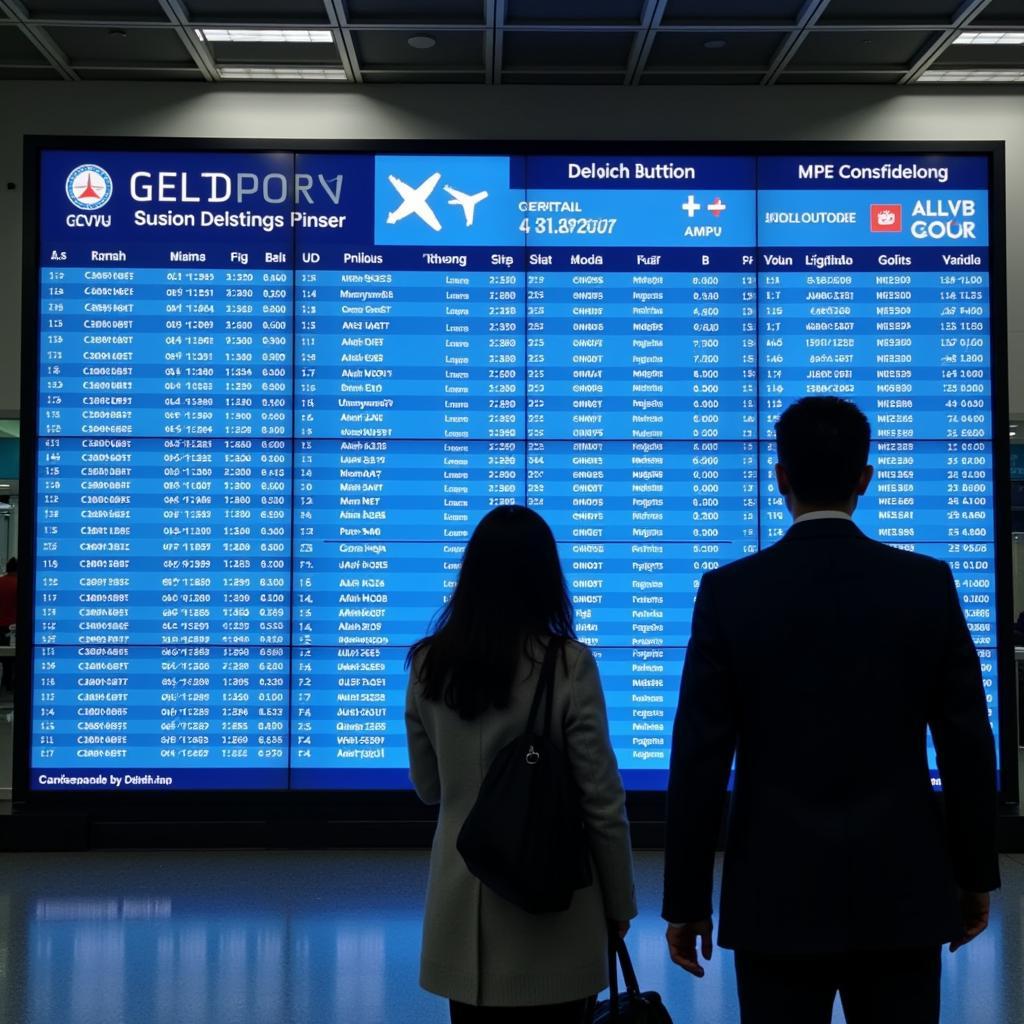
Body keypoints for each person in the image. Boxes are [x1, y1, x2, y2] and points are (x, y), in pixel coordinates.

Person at [662, 397, 1000, 1024]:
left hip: (774, 896)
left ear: (781, 476)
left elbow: (699, 758)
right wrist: (975, 872)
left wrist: (685, 899)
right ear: (865, 478)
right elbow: (967, 744)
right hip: (902, 888)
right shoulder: (926, 583)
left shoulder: (730, 592)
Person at [405, 504, 636, 1023]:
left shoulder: (427, 663)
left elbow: (428, 788)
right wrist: (618, 903)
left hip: (462, 924)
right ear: (546, 579)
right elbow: (601, 799)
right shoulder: (568, 665)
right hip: (553, 919)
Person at [0, 557, 16, 694]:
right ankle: (9, 684)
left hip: (0, 625)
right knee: (11, 658)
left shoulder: (1, 582)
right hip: (12, 627)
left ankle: (4, 683)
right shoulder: (19, 583)